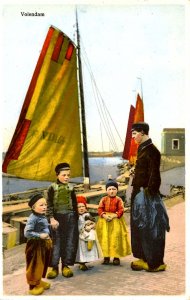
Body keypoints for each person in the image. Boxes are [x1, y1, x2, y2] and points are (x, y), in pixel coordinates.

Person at [130, 122, 170, 272]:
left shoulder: (152, 151)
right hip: (139, 193)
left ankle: (155, 263)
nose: (133, 137)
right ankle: (143, 258)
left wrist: (148, 194)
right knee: (139, 227)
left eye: (134, 134)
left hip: (146, 195)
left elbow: (155, 176)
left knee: (150, 228)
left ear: (142, 133)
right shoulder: (143, 148)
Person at [46, 162, 79, 279]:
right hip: (56, 219)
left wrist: (76, 219)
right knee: (56, 243)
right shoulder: (52, 188)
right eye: (64, 175)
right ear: (57, 175)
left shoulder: (71, 188)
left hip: (70, 218)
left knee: (69, 242)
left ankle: (65, 266)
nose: (67, 177)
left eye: (68, 175)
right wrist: (51, 218)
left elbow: (75, 204)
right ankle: (54, 267)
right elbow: (48, 205)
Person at [96, 179, 131, 265]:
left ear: (117, 190)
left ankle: (116, 257)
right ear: (106, 190)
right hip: (105, 222)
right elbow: (100, 209)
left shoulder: (119, 200)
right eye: (110, 189)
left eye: (114, 189)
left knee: (115, 239)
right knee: (106, 238)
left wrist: (114, 215)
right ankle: (106, 257)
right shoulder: (103, 199)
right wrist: (104, 215)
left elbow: (121, 210)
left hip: (116, 221)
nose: (112, 191)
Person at [24, 193, 52, 296]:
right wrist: (40, 235)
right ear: (33, 207)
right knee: (34, 265)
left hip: (43, 243)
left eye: (45, 204)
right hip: (34, 245)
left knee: (42, 264)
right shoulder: (33, 218)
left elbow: (43, 226)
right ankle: (32, 286)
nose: (44, 207)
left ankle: (38, 281)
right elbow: (27, 233)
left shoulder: (41, 215)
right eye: (41, 205)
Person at [75, 196, 102, 271]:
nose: (81, 208)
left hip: (88, 235)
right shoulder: (76, 217)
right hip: (80, 235)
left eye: (83, 206)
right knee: (81, 249)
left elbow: (94, 222)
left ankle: (86, 260)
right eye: (79, 207)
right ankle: (81, 263)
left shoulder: (87, 215)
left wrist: (91, 226)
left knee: (87, 248)